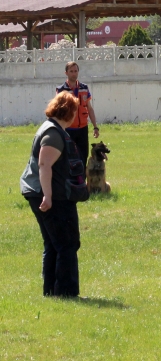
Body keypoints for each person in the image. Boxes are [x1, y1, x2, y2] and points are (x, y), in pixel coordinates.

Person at [20, 91, 85, 297]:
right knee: (67, 243)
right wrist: (47, 196)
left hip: (45, 193)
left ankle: (51, 292)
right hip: (51, 196)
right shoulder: (53, 133)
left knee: (54, 244)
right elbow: (44, 165)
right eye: (75, 110)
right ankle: (66, 293)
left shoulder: (51, 128)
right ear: (68, 112)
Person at [56, 62, 99, 169]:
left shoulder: (84, 88)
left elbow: (89, 108)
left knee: (83, 157)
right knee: (69, 158)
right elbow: (57, 111)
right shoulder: (62, 90)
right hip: (68, 129)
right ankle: (70, 184)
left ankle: (81, 184)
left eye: (75, 71)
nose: (74, 74)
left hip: (83, 129)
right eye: (71, 71)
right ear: (66, 73)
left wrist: (95, 126)